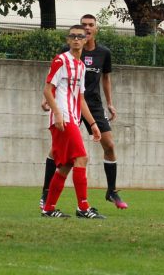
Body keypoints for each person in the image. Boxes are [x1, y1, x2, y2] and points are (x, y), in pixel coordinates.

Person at [40, 14, 127, 210]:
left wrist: (107, 107)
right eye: (78, 32)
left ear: (95, 30)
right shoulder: (65, 56)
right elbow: (51, 84)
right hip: (66, 111)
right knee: (70, 156)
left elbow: (103, 81)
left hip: (91, 106)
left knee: (107, 146)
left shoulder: (96, 57)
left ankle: (110, 191)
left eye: (89, 27)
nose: (83, 33)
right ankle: (69, 204)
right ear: (69, 39)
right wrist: (51, 104)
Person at [41, 24, 105, 219]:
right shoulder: (61, 60)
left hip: (73, 119)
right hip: (63, 119)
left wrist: (93, 124)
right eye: (73, 36)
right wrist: (58, 113)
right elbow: (47, 90)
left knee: (66, 166)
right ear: (68, 40)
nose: (76, 39)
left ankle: (49, 208)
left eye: (80, 36)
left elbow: (81, 99)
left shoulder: (81, 66)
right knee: (82, 158)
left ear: (86, 40)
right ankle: (83, 208)